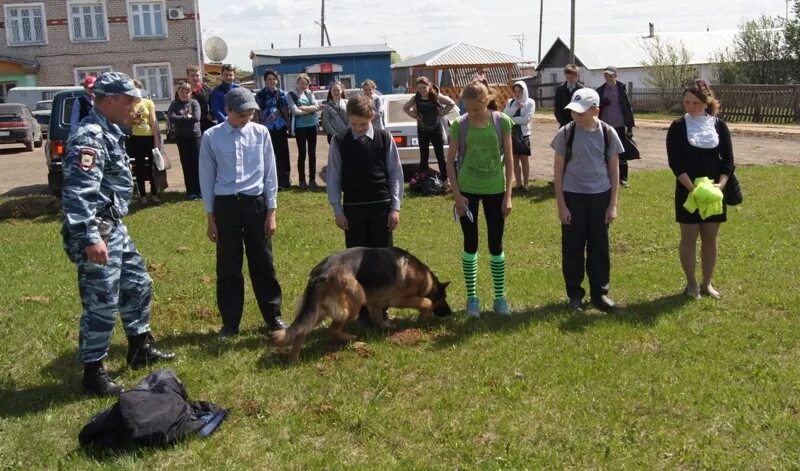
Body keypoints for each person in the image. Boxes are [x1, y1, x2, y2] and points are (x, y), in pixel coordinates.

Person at [61, 72, 175, 397]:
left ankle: (140, 347)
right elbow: (78, 193)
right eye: (129, 101)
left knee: (138, 283)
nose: (135, 106)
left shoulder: (111, 130)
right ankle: (93, 372)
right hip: (97, 230)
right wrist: (90, 238)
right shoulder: (89, 137)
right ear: (109, 100)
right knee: (101, 301)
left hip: (115, 226)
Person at [199, 88, 286, 338]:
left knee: (263, 264)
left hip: (255, 205)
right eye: (241, 115)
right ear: (227, 111)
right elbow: (206, 178)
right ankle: (230, 323)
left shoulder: (261, 134)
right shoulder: (211, 137)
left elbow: (270, 174)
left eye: (249, 114)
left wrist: (272, 212)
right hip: (226, 207)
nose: (246, 119)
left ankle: (274, 316)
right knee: (228, 267)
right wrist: (210, 218)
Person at [326, 94, 403, 325]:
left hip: (381, 207)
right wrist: (337, 209)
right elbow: (333, 177)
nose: (358, 129)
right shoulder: (339, 141)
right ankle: (362, 311)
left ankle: (381, 310)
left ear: (373, 116)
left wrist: (395, 207)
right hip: (353, 211)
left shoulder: (384, 138)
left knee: (382, 262)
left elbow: (395, 174)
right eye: (354, 124)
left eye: (363, 124)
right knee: (357, 262)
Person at [445, 80, 514, 319]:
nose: (470, 113)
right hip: (467, 191)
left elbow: (511, 161)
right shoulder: (459, 125)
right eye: (467, 108)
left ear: (487, 101)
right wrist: (457, 195)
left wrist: (508, 195)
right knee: (470, 243)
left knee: (496, 244)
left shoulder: (502, 122)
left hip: (495, 189)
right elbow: (450, 162)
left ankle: (499, 297)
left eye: (475, 108)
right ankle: (472, 298)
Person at [551, 88, 623, 313]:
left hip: (600, 197)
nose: (576, 116)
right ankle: (575, 294)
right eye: (573, 111)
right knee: (573, 247)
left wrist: (612, 204)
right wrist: (562, 205)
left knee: (599, 246)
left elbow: (614, 171)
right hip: (573, 196)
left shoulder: (608, 133)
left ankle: (599, 294)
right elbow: (558, 171)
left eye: (581, 112)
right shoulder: (566, 133)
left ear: (596, 111)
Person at [666, 80, 733, 300]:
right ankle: (692, 284)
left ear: (706, 102)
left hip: (714, 192)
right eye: (686, 102)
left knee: (710, 238)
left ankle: (707, 283)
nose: (690, 106)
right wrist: (692, 188)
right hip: (688, 191)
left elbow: (728, 161)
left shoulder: (719, 126)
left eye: (695, 102)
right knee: (689, 238)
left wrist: (720, 186)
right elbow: (675, 162)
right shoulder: (677, 126)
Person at [402, 76, 456, 182]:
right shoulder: (415, 98)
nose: (422, 90)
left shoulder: (436, 96)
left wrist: (441, 113)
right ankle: (423, 179)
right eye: (419, 88)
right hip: (422, 131)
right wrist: (415, 115)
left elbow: (452, 103)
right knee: (424, 156)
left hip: (436, 130)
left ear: (429, 86)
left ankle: (445, 179)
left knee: (440, 156)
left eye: (424, 87)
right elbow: (405, 108)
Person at [596, 66, 636, 187]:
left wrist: (629, 126)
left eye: (610, 75)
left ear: (615, 76)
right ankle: (607, 177)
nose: (608, 77)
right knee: (605, 152)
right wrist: (603, 103)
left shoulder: (621, 89)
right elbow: (596, 106)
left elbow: (628, 108)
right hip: (604, 125)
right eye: (606, 75)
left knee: (621, 152)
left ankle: (623, 179)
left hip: (619, 125)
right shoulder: (600, 90)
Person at [255, 70, 292, 189]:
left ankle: (285, 180)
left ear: (277, 80)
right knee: (269, 155)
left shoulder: (282, 93)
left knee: (283, 154)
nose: (271, 81)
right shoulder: (260, 95)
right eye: (269, 79)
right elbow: (257, 111)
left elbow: (286, 110)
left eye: (273, 79)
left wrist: (288, 124)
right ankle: (271, 181)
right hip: (266, 128)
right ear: (265, 81)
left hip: (280, 126)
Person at [128, 79, 161, 204]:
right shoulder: (130, 103)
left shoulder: (148, 102)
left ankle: (154, 193)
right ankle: (143, 196)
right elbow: (127, 121)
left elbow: (153, 121)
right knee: (140, 167)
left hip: (150, 137)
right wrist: (133, 117)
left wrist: (156, 138)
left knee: (153, 166)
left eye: (137, 88)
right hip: (137, 138)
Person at [168, 81, 202, 199]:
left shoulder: (194, 103)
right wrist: (185, 117)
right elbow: (171, 118)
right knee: (186, 164)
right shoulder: (174, 104)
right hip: (182, 138)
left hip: (195, 137)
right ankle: (191, 191)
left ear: (190, 92)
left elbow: (196, 118)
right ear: (177, 92)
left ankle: (200, 190)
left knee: (197, 164)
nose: (184, 93)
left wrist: (181, 119)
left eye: (187, 91)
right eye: (182, 91)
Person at [287, 74, 320, 189]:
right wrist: (310, 109)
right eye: (302, 83)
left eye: (306, 84)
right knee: (302, 154)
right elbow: (295, 111)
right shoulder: (291, 95)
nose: (304, 86)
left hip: (312, 127)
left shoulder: (310, 93)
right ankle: (302, 180)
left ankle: (312, 180)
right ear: (297, 83)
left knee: (312, 154)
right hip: (300, 128)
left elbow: (316, 106)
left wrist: (304, 108)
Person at [503, 81, 536, 191]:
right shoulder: (510, 102)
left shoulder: (530, 102)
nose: (517, 94)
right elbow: (505, 115)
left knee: (524, 159)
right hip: (511, 134)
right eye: (515, 91)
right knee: (514, 159)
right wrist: (516, 107)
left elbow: (526, 120)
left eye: (520, 91)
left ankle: (526, 184)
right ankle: (518, 183)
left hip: (523, 134)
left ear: (524, 91)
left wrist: (511, 120)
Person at [186, 65, 215, 133]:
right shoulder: (182, 90)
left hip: (205, 123)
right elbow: (178, 106)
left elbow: (213, 105)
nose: (195, 78)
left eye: (197, 75)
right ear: (188, 76)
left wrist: (211, 114)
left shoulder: (206, 89)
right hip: (189, 125)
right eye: (192, 75)